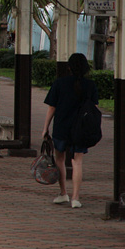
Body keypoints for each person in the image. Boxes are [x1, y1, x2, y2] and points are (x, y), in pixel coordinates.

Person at [40, 52, 98, 209]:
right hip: (81, 129)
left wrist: (45, 128)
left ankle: (63, 193)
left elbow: (52, 107)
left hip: (61, 126)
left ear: (69, 67)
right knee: (77, 162)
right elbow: (94, 109)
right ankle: (76, 198)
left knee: (60, 159)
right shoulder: (90, 85)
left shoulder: (60, 83)